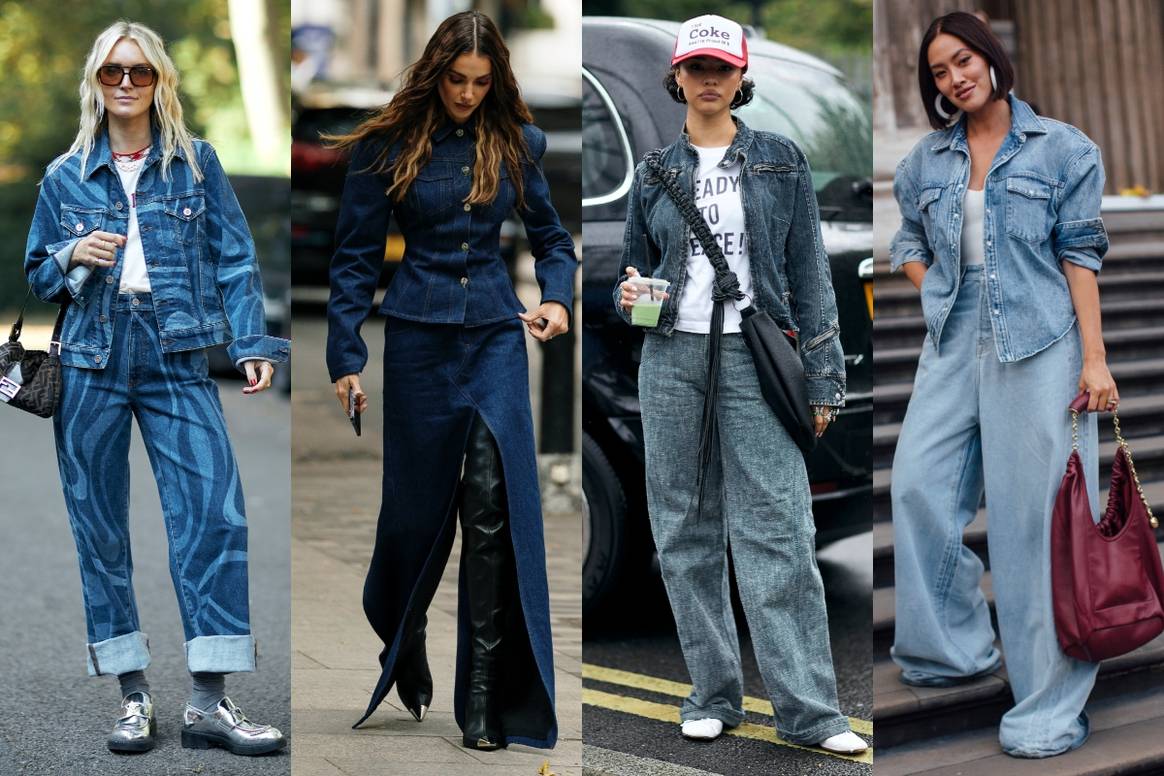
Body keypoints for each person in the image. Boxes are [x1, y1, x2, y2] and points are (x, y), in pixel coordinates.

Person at [23, 21, 289, 756]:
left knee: (213, 517)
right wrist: (72, 250)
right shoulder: (65, 173)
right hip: (89, 359)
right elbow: (40, 275)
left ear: (160, 80)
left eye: (139, 72)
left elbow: (235, 258)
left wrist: (250, 344)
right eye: (113, 72)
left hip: (176, 355)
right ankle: (133, 696)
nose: (126, 83)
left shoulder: (196, 164)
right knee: (100, 531)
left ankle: (209, 701)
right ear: (97, 83)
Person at [613, 14, 867, 755]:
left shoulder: (782, 162)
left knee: (780, 533)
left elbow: (812, 279)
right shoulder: (656, 170)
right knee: (684, 533)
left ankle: (812, 712)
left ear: (740, 76)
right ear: (680, 77)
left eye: (722, 68)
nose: (710, 79)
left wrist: (826, 381)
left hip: (758, 361)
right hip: (672, 361)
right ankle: (712, 695)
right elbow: (635, 272)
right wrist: (631, 295)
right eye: (697, 68)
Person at [325, 10, 577, 751]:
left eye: (479, 82)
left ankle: (483, 705)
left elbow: (551, 238)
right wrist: (346, 356)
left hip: (497, 339)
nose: (467, 94)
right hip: (416, 342)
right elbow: (353, 260)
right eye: (455, 80)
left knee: (491, 513)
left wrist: (557, 298)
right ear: (434, 74)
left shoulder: (519, 142)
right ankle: (405, 633)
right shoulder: (386, 146)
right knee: (413, 517)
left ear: (495, 80)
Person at [889, 11, 1112, 758]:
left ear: (989, 57)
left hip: (1043, 340)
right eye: (940, 72)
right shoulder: (925, 160)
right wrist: (942, 289)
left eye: (963, 60)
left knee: (1032, 522)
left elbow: (1080, 255)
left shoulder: (1064, 149)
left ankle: (1048, 702)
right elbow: (909, 243)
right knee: (917, 485)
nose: (955, 78)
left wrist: (1095, 359)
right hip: (954, 339)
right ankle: (952, 650)